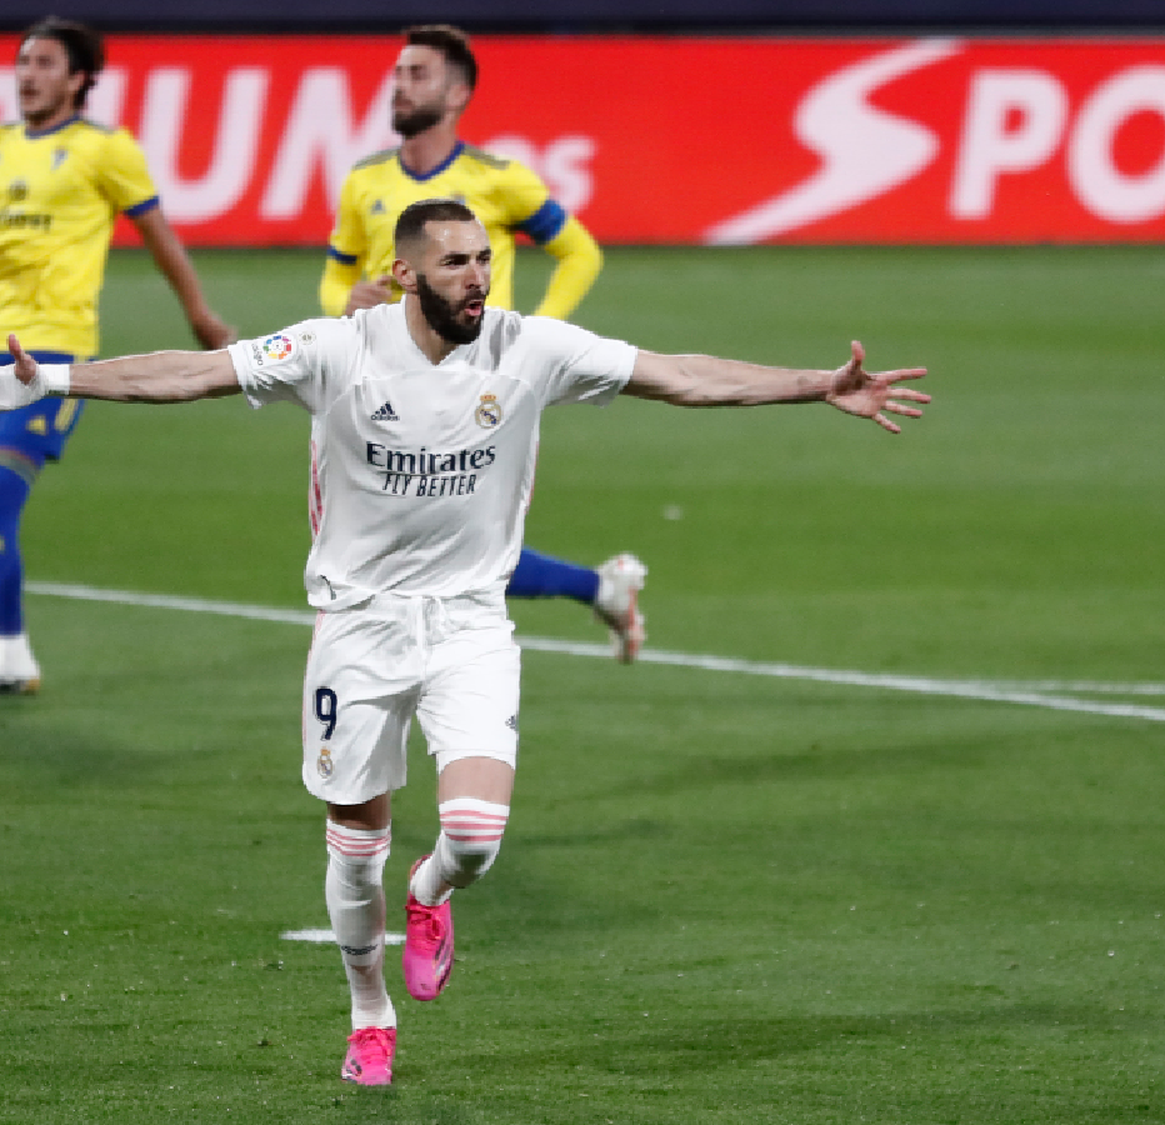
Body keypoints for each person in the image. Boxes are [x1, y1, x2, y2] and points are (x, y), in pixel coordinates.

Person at [1, 197, 929, 1086]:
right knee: (353, 851)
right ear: (404, 273)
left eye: (485, 258)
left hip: (470, 624)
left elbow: (680, 374)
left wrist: (816, 386)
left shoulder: (530, 348)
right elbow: (192, 372)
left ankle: (434, 887)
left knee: (476, 837)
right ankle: (371, 1014)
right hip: (357, 627)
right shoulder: (337, 348)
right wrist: (53, 375)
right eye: (457, 262)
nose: (479, 276)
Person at [321, 24, 646, 662]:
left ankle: (435, 663)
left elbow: (579, 252)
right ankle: (602, 590)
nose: (400, 85)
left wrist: (537, 336)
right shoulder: (365, 181)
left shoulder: (497, 179)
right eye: (398, 73)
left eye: (418, 74)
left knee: (433, 539)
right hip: (388, 373)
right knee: (428, 536)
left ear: (457, 92)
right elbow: (337, 276)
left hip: (478, 379)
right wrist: (345, 301)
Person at [0, 17, 234, 694]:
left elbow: (158, 235)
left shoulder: (106, 149)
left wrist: (198, 312)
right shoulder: (5, 145)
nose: (28, 73)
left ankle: (10, 651)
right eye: (22, 61)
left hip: (49, 350)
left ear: (78, 79)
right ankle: (11, 656)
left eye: (44, 62)